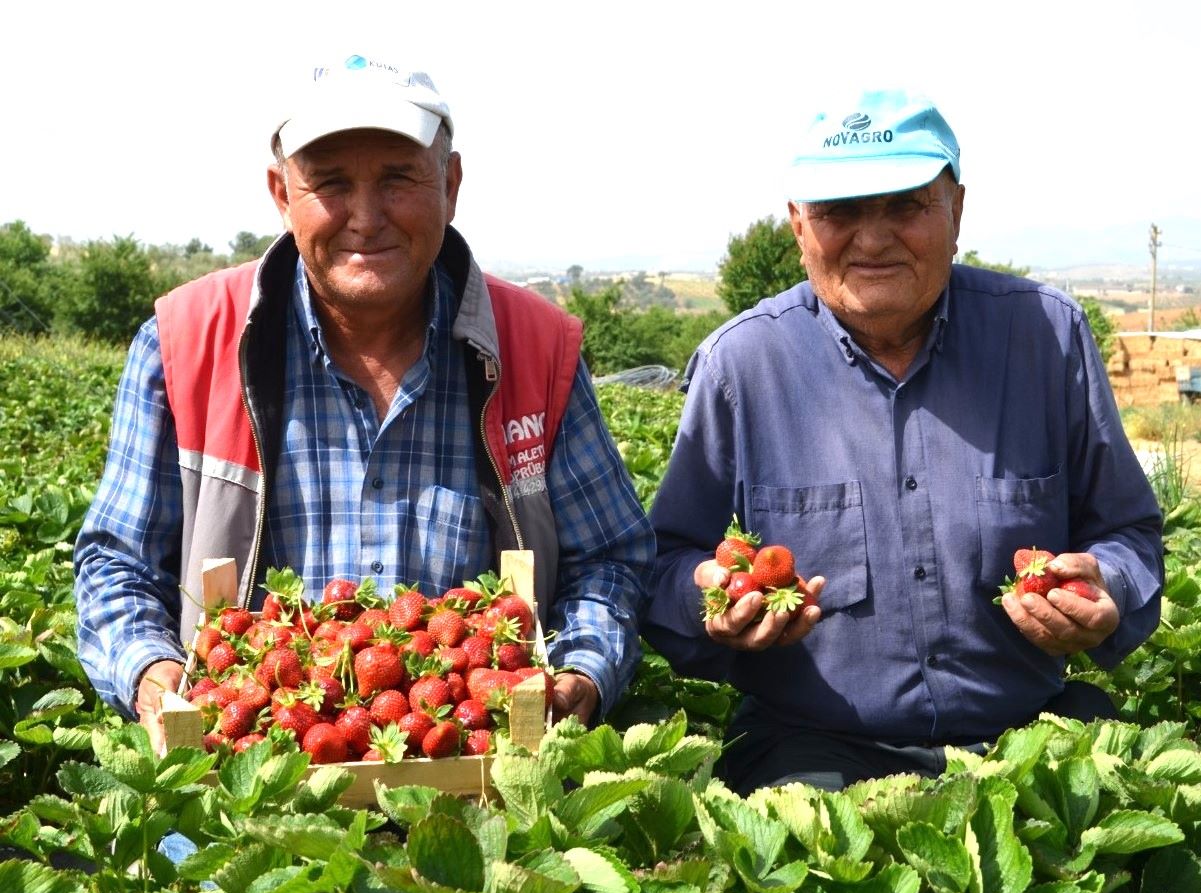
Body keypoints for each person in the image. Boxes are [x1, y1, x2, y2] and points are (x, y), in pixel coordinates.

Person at [74, 54, 655, 753]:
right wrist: (154, 674)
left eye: (398, 178)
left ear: (451, 184)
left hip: (478, 774)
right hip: (245, 774)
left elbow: (610, 561)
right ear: (280, 194)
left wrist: (577, 674)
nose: (365, 217)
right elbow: (119, 565)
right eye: (330, 183)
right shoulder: (185, 343)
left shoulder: (536, 348)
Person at [643, 89, 1163, 795]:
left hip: (1027, 727)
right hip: (813, 745)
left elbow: (1127, 531)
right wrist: (709, 603)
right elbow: (665, 559)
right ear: (798, 225)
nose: (872, 238)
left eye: (905, 205)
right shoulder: (743, 364)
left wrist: (1107, 589)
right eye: (839, 212)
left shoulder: (1044, 337)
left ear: (956, 208)